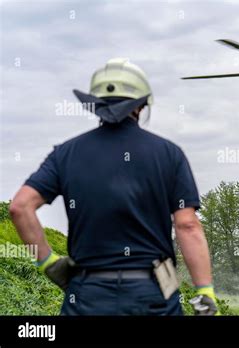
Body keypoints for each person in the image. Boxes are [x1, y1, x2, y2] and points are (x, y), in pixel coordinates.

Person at [9, 58, 218, 315]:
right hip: (153, 293)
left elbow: (20, 207)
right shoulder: (169, 154)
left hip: (86, 293)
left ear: (95, 104)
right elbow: (187, 225)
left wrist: (49, 262)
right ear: (141, 104)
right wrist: (204, 292)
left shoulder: (65, 154)